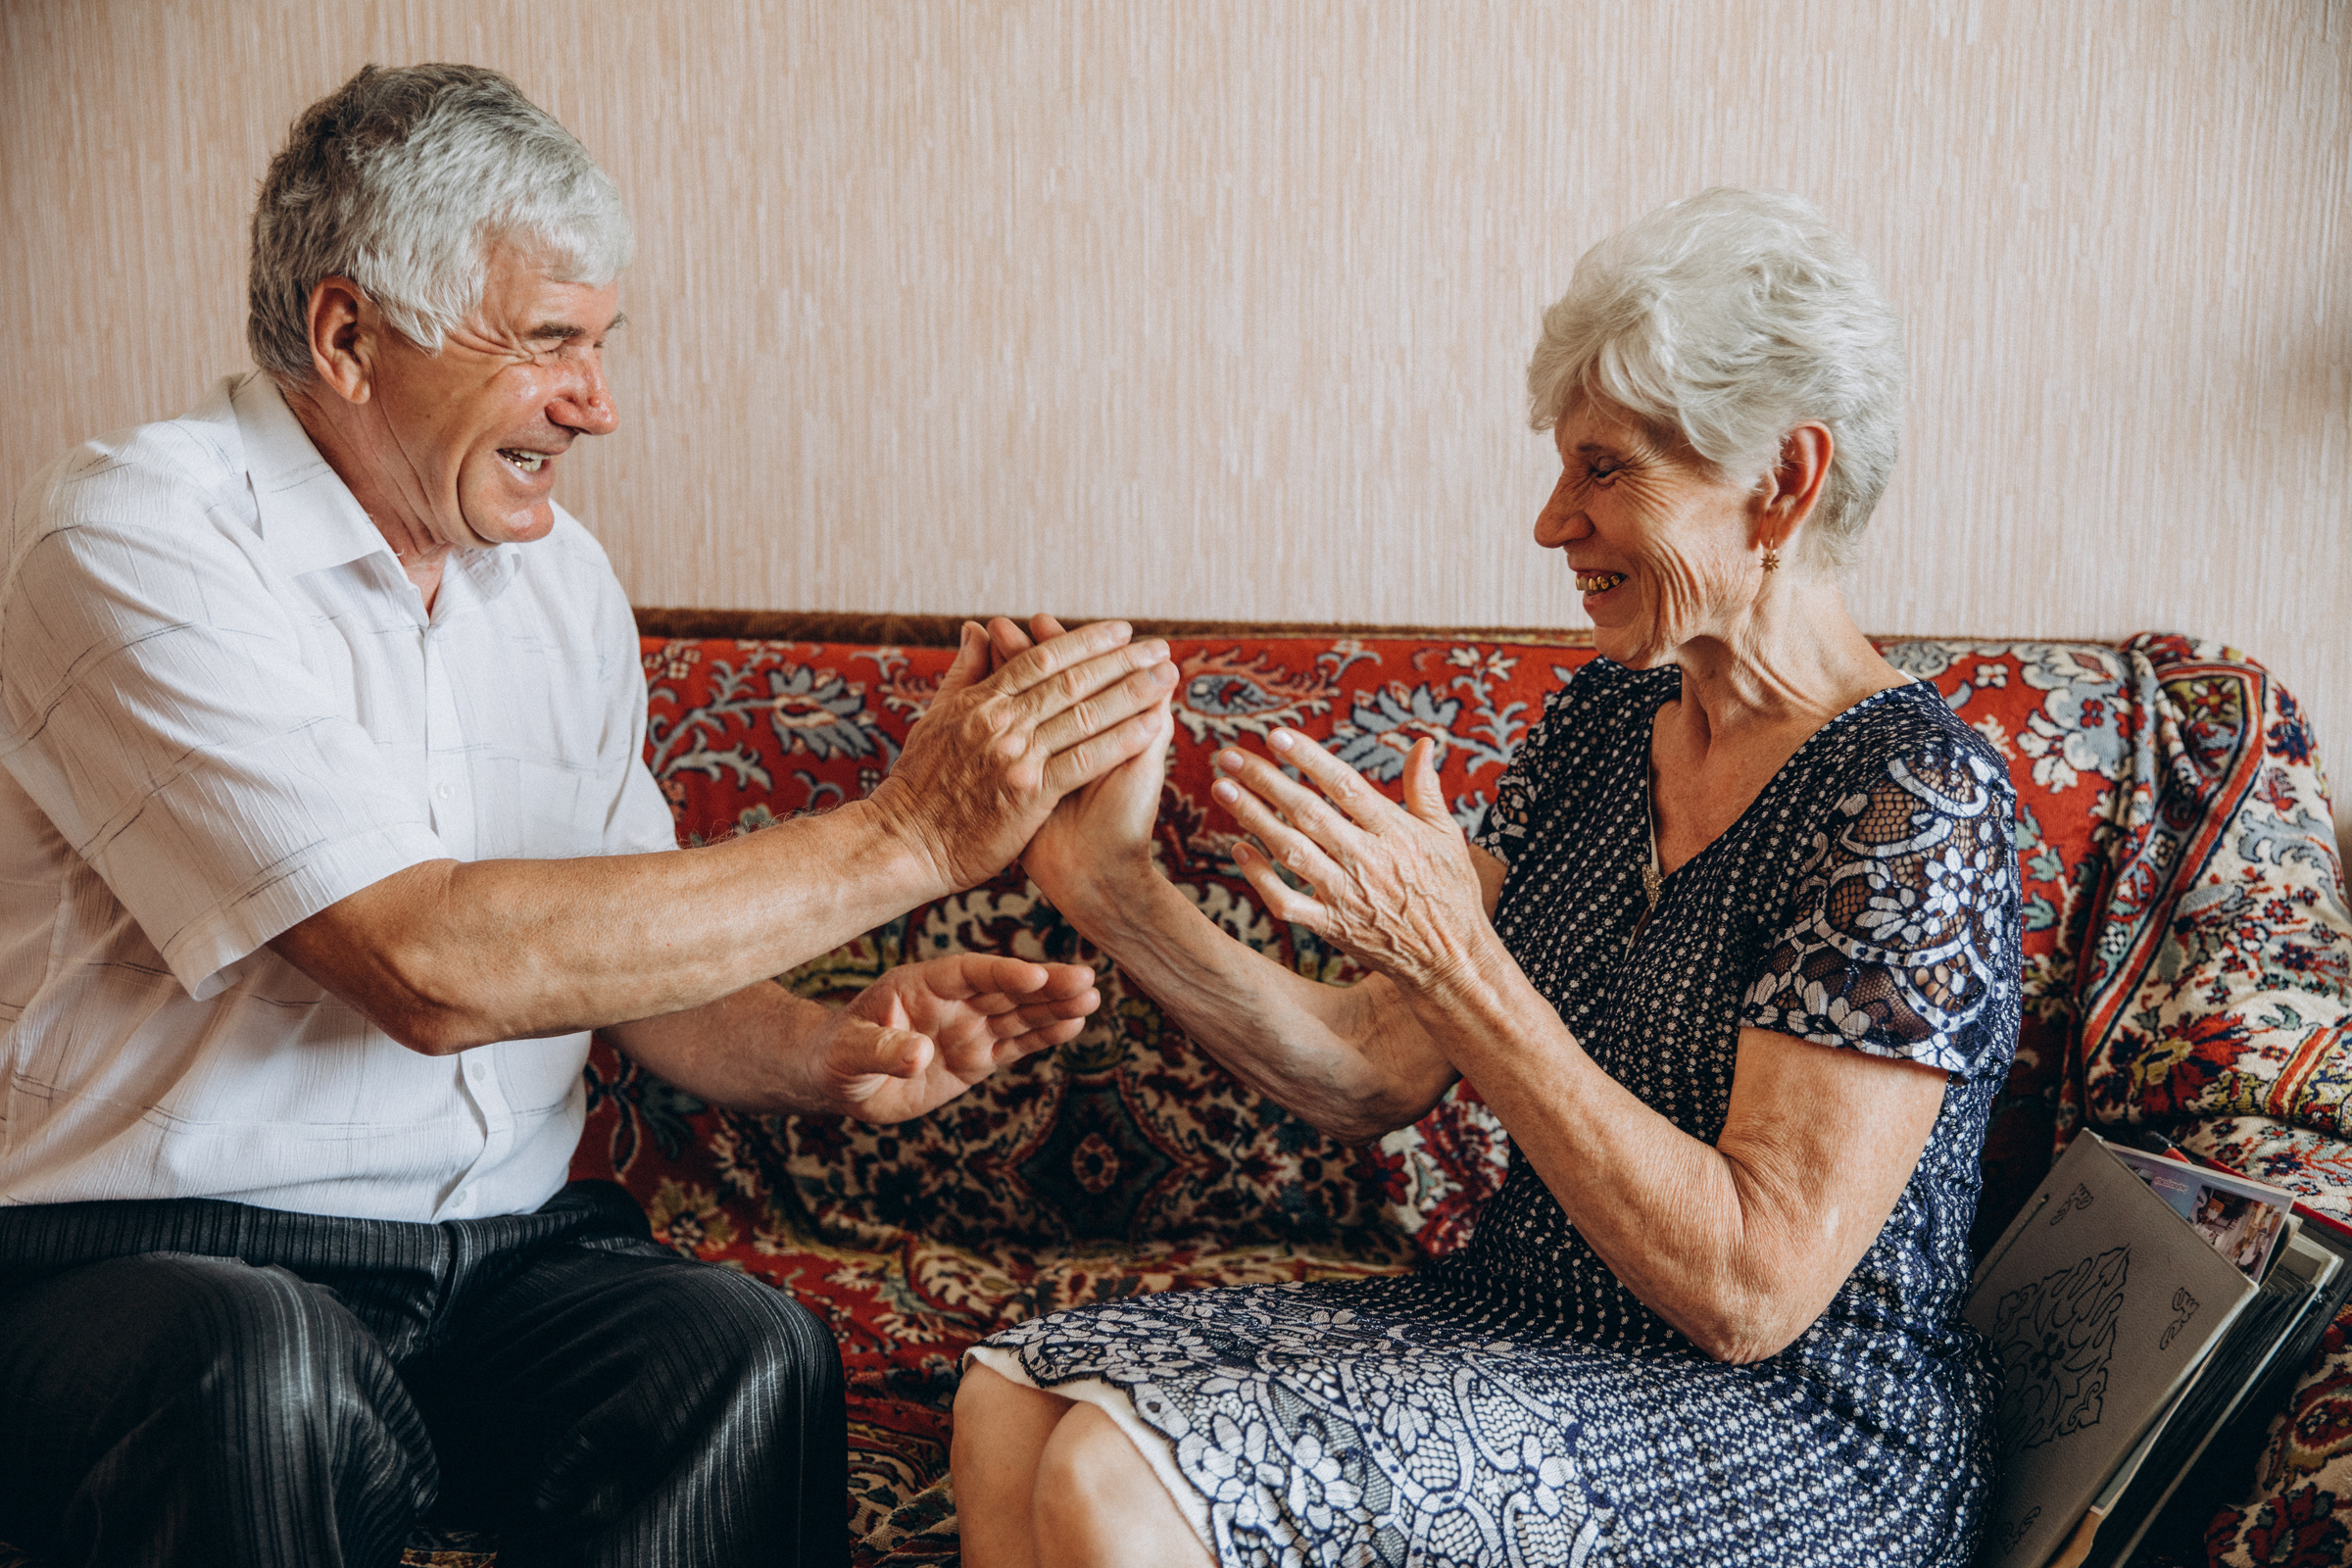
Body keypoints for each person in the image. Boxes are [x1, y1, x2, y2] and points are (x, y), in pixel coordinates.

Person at [0, 64, 1175, 1568]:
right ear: (350, 338)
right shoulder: (133, 540)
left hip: (493, 1263)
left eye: (602, 343)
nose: (598, 405)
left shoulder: (557, 579)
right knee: (267, 1380)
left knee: (740, 1354)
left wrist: (826, 1049)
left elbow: (612, 951)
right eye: (550, 343)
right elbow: (426, 965)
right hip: (151, 1265)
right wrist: (912, 836)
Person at [951, 188, 2022, 1568]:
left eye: (1607, 471)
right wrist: (1111, 891)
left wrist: (1459, 958)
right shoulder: (1597, 730)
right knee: (1013, 1401)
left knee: (1115, 1479)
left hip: (1786, 1422)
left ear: (1785, 481)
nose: (1550, 523)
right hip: (1534, 1321)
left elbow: (1754, 1290)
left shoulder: (1908, 799)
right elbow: (1374, 1069)